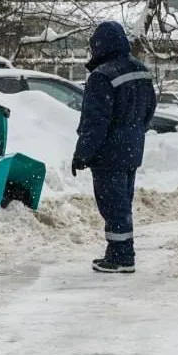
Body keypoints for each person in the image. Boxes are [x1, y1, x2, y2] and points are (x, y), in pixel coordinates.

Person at [71, 21, 156, 274]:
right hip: (132, 149)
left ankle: (121, 256)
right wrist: (135, 132)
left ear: (99, 45)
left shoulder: (102, 76)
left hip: (108, 153)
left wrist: (82, 154)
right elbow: (150, 109)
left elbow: (94, 122)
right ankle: (118, 252)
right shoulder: (141, 71)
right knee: (123, 203)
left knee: (112, 204)